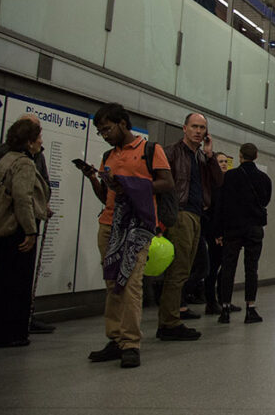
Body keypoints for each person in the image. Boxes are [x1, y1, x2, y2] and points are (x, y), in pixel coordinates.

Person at [80, 103, 173, 367]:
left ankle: (131, 343)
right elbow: (106, 196)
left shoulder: (149, 150)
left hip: (137, 226)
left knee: (131, 283)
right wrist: (94, 179)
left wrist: (132, 186)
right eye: (101, 132)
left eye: (107, 129)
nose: (105, 135)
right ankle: (115, 338)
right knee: (112, 282)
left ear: (122, 123)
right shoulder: (109, 155)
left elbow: (167, 183)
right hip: (109, 224)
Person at [0, 113, 56, 335]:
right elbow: (22, 199)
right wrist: (30, 230)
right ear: (29, 140)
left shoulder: (6, 159)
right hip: (17, 228)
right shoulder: (24, 163)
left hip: (2, 228)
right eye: (38, 137)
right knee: (16, 281)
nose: (41, 141)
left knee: (2, 278)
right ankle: (13, 331)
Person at [159, 112, 224, 341]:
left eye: (202, 128)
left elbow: (218, 181)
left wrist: (209, 155)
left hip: (196, 215)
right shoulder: (172, 152)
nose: (198, 131)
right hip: (180, 213)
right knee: (178, 270)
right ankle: (169, 321)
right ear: (184, 128)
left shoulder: (200, 157)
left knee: (185, 269)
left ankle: (171, 317)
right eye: (194, 127)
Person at [214, 143, 271, 323]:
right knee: (251, 268)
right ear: (256, 156)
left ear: (240, 156)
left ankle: (225, 309)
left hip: (232, 228)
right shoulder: (264, 178)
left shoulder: (229, 177)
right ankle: (250, 308)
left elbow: (220, 205)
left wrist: (218, 230)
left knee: (228, 268)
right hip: (254, 228)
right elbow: (265, 201)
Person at [203, 152, 236, 315]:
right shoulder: (213, 185)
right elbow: (214, 211)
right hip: (215, 233)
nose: (223, 164)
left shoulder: (227, 183)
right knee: (213, 267)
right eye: (220, 161)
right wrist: (216, 233)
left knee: (225, 267)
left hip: (227, 232)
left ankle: (224, 299)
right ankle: (211, 301)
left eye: (225, 161)